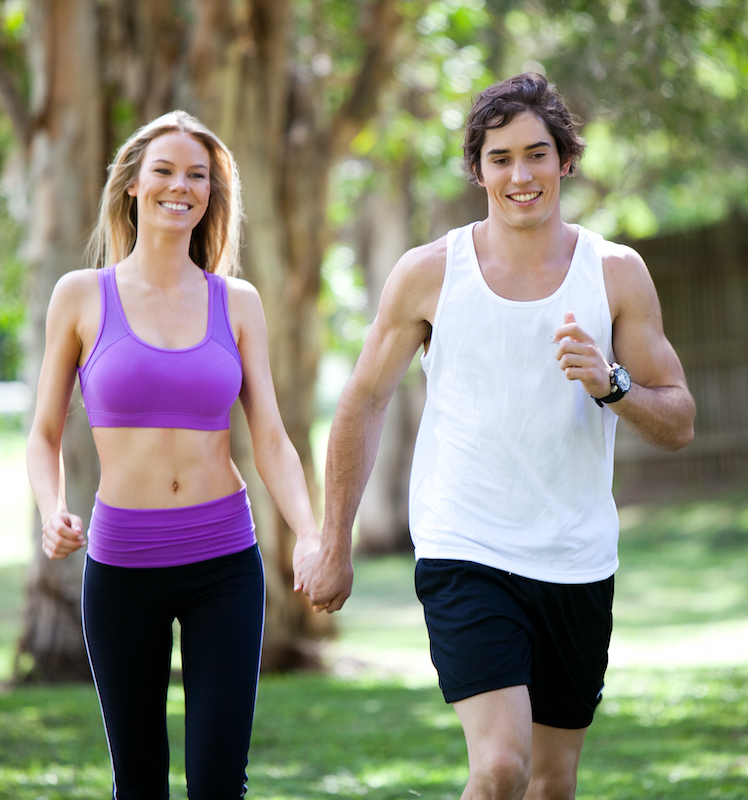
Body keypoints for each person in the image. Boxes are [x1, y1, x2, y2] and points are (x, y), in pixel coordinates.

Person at [295, 73, 695, 799]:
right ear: (477, 168)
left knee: (551, 782)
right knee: (500, 767)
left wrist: (613, 385)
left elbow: (680, 419)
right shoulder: (427, 275)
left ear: (565, 161)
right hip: (465, 546)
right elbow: (363, 400)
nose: (521, 175)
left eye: (537, 154)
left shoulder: (614, 274)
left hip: (576, 557)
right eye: (501, 157)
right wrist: (335, 540)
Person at [27, 109, 319, 799]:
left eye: (198, 175)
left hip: (224, 562)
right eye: (164, 170)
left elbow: (271, 437)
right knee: (140, 784)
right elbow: (43, 433)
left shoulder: (237, 303)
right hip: (123, 564)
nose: (180, 186)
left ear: (213, 194)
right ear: (132, 183)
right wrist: (51, 511)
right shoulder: (80, 295)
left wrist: (309, 532)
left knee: (219, 782)